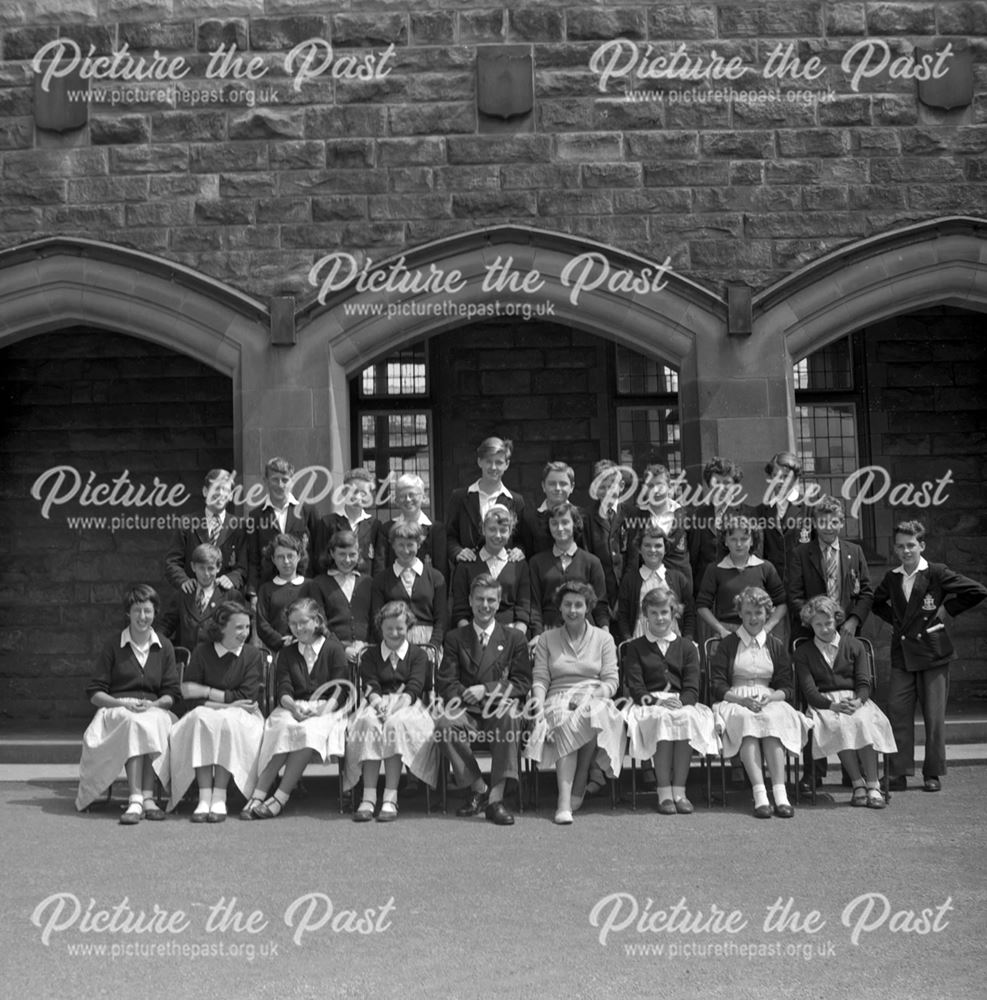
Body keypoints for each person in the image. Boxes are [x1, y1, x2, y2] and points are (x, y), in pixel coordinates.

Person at [872, 520, 987, 793]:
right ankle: (898, 773)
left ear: (922, 545)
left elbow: (977, 591)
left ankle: (932, 772)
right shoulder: (892, 577)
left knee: (934, 718)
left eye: (911, 545)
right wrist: (898, 622)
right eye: (900, 546)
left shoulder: (936, 572)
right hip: (903, 654)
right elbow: (877, 604)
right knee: (898, 714)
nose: (906, 551)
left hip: (933, 652)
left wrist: (948, 608)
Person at [787, 494, 874, 794]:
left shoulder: (854, 551)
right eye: (822, 521)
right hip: (812, 635)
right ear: (814, 523)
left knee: (850, 698)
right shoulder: (801, 553)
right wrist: (815, 622)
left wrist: (850, 621)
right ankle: (814, 772)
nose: (828, 527)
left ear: (841, 522)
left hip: (845, 636)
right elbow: (795, 594)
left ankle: (855, 774)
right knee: (813, 702)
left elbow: (866, 593)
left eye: (834, 521)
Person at [75, 585, 181, 822]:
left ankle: (147, 798)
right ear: (128, 613)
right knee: (135, 722)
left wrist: (153, 706)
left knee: (146, 721)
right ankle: (138, 798)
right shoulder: (113, 645)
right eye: (136, 611)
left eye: (147, 611)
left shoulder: (165, 646)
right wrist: (122, 705)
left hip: (154, 709)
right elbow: (94, 693)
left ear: (155, 613)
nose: (142, 617)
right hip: (118, 708)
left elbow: (172, 693)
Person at [524, 581, 624, 825]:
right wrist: (538, 706)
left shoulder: (604, 639)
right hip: (558, 696)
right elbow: (540, 678)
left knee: (591, 712)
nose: (572, 610)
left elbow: (611, 681)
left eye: (578, 605)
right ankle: (566, 799)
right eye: (567, 604)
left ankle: (574, 787)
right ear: (559, 608)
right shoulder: (547, 639)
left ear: (588, 607)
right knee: (561, 717)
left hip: (595, 695)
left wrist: (590, 696)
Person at [437, 574, 532, 825]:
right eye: (479, 599)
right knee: (445, 724)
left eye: (491, 599)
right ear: (470, 600)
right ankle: (479, 788)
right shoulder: (455, 638)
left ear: (499, 602)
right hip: (467, 709)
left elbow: (523, 682)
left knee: (511, 717)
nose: (485, 605)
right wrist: (470, 696)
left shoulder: (514, 638)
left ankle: (496, 800)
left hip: (499, 709)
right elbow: (446, 682)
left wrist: (487, 690)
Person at [242, 599, 350, 819]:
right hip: (293, 705)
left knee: (308, 732)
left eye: (303, 622)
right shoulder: (287, 653)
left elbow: (341, 689)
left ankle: (280, 797)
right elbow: (284, 686)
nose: (298, 628)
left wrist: (322, 711)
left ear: (317, 621)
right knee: (282, 728)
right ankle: (258, 794)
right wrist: (292, 707)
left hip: (327, 708)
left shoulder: (334, 649)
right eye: (293, 624)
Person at [710, 586, 811, 819]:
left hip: (769, 697)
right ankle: (759, 793)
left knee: (772, 719)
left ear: (767, 613)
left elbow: (787, 686)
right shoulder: (727, 645)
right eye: (747, 613)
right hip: (735, 698)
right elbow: (717, 685)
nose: (753, 618)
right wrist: (741, 699)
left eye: (758, 612)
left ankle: (780, 792)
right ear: (740, 614)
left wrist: (771, 697)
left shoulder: (775, 645)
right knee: (747, 722)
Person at [793, 596, 896, 809]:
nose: (824, 629)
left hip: (854, 699)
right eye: (818, 625)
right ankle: (858, 783)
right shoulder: (803, 652)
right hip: (824, 704)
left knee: (863, 722)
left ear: (837, 620)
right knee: (838, 724)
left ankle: (873, 785)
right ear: (810, 625)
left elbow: (864, 682)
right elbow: (809, 690)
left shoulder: (855, 645)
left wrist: (858, 702)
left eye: (828, 623)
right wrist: (831, 705)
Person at [622, 587, 717, 814]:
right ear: (645, 614)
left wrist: (681, 701)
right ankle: (664, 792)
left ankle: (680, 791)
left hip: (681, 701)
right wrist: (656, 703)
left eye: (664, 612)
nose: (659, 618)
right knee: (662, 720)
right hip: (649, 703)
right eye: (653, 613)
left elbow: (693, 686)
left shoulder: (687, 647)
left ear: (673, 613)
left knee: (684, 718)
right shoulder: (635, 647)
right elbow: (635, 687)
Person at [167, 601, 265, 822]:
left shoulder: (252, 655)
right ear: (222, 627)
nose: (245, 633)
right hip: (207, 711)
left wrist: (207, 692)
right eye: (239, 627)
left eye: (247, 627)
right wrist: (225, 702)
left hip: (242, 716)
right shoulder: (202, 652)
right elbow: (189, 696)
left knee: (228, 722)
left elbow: (246, 698)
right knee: (202, 720)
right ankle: (205, 795)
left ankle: (219, 795)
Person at [343, 601, 438, 822]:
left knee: (395, 725)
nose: (395, 633)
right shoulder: (370, 655)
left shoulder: (418, 655)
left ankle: (390, 796)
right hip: (376, 702)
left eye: (400, 628)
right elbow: (370, 685)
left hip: (408, 705)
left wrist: (394, 709)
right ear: (380, 628)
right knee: (369, 724)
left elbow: (414, 688)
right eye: (389, 629)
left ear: (409, 628)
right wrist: (378, 705)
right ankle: (368, 796)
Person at [696, 515, 786, 640]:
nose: (739, 544)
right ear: (725, 541)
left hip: (759, 630)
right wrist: (721, 630)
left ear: (752, 541)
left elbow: (782, 603)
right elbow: (702, 606)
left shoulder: (765, 567)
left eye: (744, 539)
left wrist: (767, 628)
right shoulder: (715, 569)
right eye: (733, 539)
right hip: (727, 632)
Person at [528, 502, 609, 636]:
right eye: (554, 523)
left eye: (565, 522)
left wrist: (605, 633)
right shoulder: (536, 562)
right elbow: (534, 606)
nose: (560, 528)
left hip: (585, 633)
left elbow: (600, 604)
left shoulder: (592, 562)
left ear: (575, 524)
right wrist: (538, 635)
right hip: (549, 632)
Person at [164, 468, 247, 596]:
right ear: (205, 491)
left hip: (226, 599)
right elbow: (172, 562)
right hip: (193, 597)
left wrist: (233, 578)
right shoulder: (187, 522)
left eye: (225, 489)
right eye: (215, 488)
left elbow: (245, 565)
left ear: (231, 495)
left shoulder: (240, 526)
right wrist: (183, 581)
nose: (220, 493)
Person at [446, 436, 526, 568]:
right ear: (479, 462)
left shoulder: (516, 501)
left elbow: (521, 540)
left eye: (499, 462)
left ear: (507, 464)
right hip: (469, 571)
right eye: (489, 461)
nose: (493, 467)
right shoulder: (460, 497)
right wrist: (458, 552)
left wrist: (519, 550)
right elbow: (450, 536)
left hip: (503, 573)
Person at [450, 504, 531, 633]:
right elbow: (460, 611)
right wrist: (470, 638)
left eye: (503, 530)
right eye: (492, 529)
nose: (498, 535)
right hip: (474, 635)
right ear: (483, 529)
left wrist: (515, 641)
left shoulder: (519, 565)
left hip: (511, 633)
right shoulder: (467, 565)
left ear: (510, 532)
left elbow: (523, 610)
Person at [246, 456, 320, 596]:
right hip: (269, 590)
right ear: (266, 481)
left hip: (304, 588)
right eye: (275, 479)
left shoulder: (308, 512)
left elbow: (317, 552)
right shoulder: (255, 516)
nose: (280, 485)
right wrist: (252, 592)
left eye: (285, 480)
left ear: (292, 481)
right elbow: (253, 558)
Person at [370, 521, 447, 649]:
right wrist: (388, 645)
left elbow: (442, 618)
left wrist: (433, 646)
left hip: (428, 642)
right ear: (393, 545)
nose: (405, 550)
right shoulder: (381, 580)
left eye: (410, 545)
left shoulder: (436, 577)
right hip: (393, 642)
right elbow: (377, 619)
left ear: (419, 544)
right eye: (400, 545)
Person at [615, 524, 696, 643]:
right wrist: (628, 639)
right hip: (640, 640)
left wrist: (688, 639)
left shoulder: (678, 578)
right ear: (639, 548)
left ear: (665, 548)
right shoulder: (630, 580)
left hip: (673, 640)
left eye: (658, 546)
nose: (653, 550)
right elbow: (622, 615)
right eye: (647, 545)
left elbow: (689, 613)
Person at [622, 463, 692, 590]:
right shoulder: (636, 516)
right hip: (647, 588)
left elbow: (695, 555)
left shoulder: (686, 515)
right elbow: (632, 557)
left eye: (660, 485)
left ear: (670, 487)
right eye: (650, 486)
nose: (655, 490)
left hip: (680, 588)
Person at [162, 543, 244, 651]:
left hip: (218, 661)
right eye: (201, 568)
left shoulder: (230, 596)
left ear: (218, 568)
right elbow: (166, 625)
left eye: (210, 568)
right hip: (189, 662)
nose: (206, 574)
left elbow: (241, 631)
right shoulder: (183, 594)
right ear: (193, 567)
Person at [307, 529, 372, 665]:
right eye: (342, 554)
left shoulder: (368, 583)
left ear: (359, 554)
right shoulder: (318, 583)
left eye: (352, 554)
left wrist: (365, 645)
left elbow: (375, 618)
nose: (347, 560)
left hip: (366, 653)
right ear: (332, 553)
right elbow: (319, 622)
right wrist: (343, 648)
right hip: (333, 656)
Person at [752, 451, 811, 596]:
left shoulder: (809, 508)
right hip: (770, 590)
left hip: (802, 589)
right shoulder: (759, 512)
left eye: (785, 477)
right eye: (775, 476)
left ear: (796, 478)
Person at [687, 456, 747, 597]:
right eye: (716, 482)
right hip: (705, 593)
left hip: (738, 591)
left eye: (726, 482)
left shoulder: (748, 514)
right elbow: (693, 559)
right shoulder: (696, 515)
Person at [374, 472, 447, 575]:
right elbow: (380, 569)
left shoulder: (436, 529)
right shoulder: (386, 529)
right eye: (403, 496)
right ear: (396, 500)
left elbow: (442, 570)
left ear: (423, 496)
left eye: (412, 494)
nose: (408, 499)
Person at [316, 467, 382, 577]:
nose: (357, 497)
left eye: (363, 493)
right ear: (343, 492)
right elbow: (320, 560)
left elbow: (378, 564)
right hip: (333, 587)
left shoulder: (375, 525)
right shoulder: (328, 522)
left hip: (364, 587)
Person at [583, 459, 628, 613]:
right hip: (599, 597)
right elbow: (588, 561)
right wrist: (602, 601)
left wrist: (622, 599)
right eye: (602, 487)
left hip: (629, 596)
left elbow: (634, 561)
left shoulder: (633, 515)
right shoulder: (586, 518)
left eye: (611, 486)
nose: (607, 491)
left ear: (621, 486)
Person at [256, 533, 310, 652]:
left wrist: (302, 638)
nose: (286, 561)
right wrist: (281, 641)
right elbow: (262, 624)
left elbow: (318, 616)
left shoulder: (310, 586)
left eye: (290, 556)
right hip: (278, 652)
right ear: (273, 559)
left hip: (308, 649)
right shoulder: (266, 589)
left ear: (299, 556)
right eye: (280, 557)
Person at [519, 461, 583, 556]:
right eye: (552, 484)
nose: (557, 488)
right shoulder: (529, 519)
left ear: (572, 487)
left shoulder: (583, 516)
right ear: (543, 486)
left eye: (563, 484)